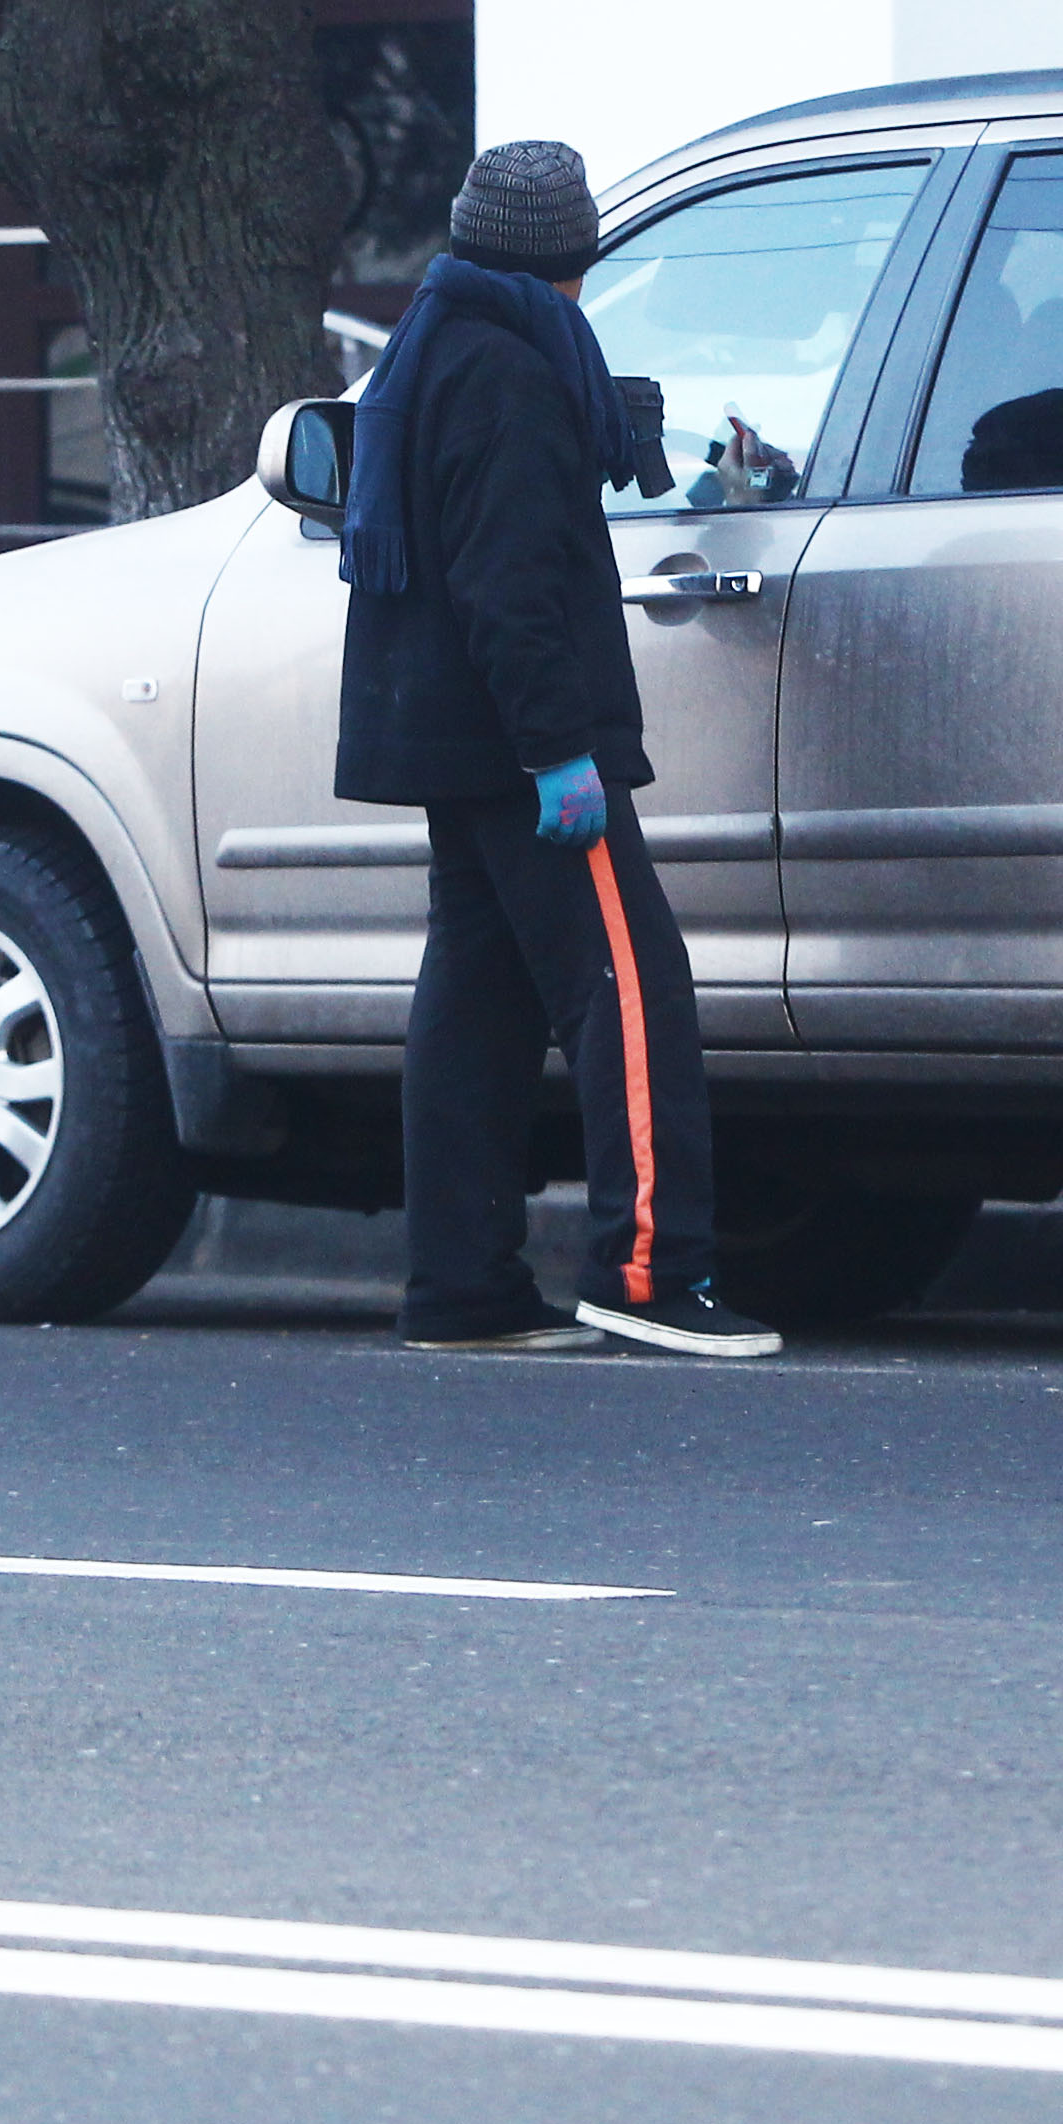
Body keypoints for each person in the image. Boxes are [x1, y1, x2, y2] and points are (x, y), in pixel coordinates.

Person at [336, 139, 779, 1360]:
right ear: (570, 258)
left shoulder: (438, 346)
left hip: (451, 739)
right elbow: (508, 586)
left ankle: (458, 1288)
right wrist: (555, 754)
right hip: (518, 750)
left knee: (475, 1007)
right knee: (630, 990)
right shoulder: (510, 375)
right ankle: (645, 1273)